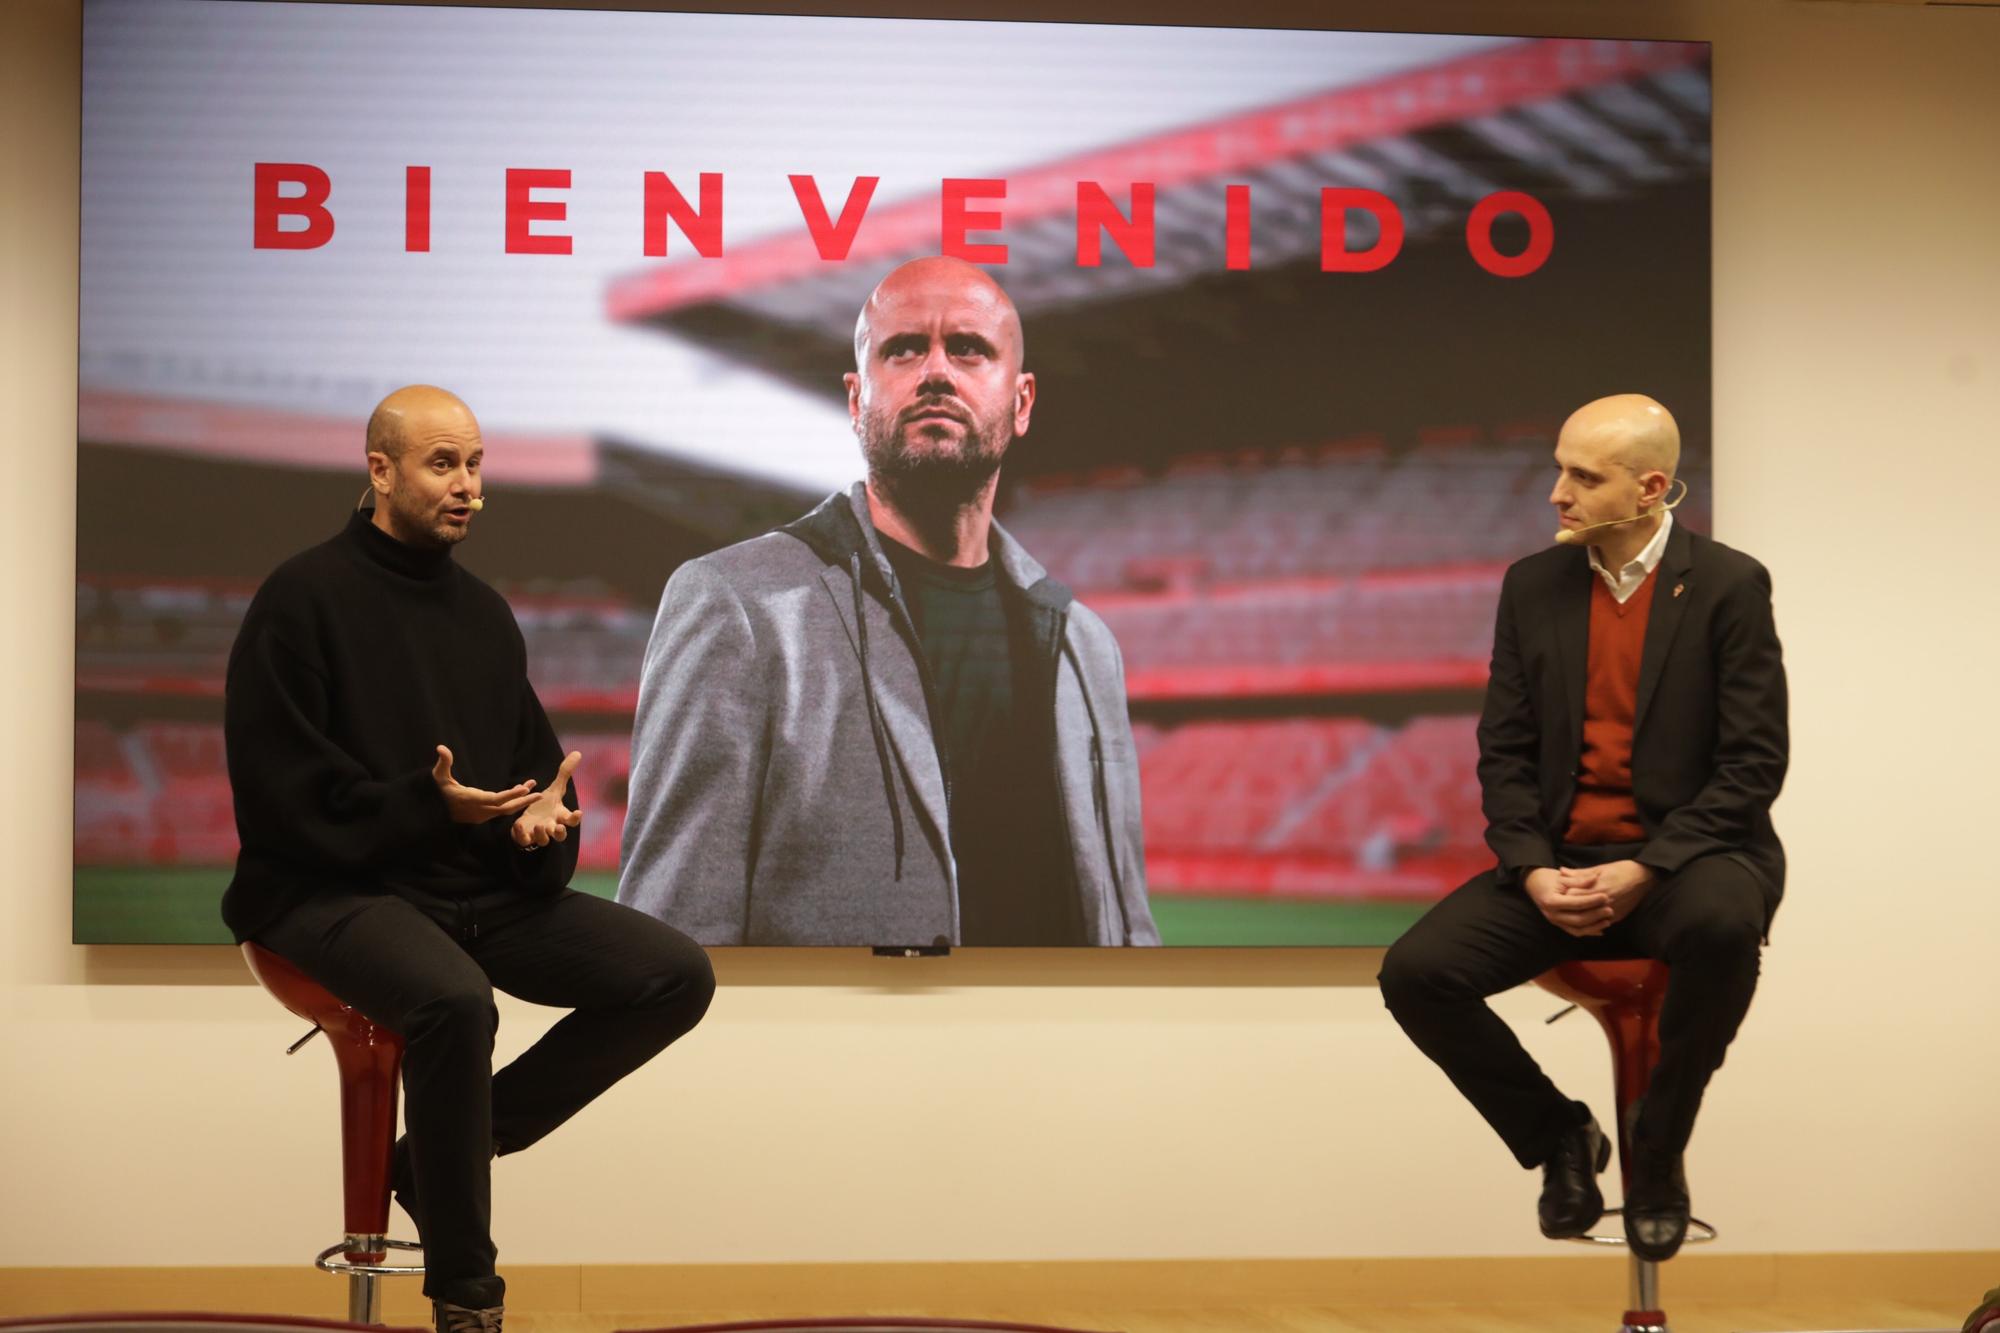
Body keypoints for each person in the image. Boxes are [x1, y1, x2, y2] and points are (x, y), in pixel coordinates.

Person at [221, 385, 715, 1333]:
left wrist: (534, 825)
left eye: (476, 465)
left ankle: (432, 1165)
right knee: (454, 1000)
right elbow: (281, 800)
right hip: (327, 888)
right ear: (380, 471)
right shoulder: (302, 597)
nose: (469, 487)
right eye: (443, 464)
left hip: (470, 888)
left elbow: (527, 776)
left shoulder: (484, 614)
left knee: (673, 975)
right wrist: (425, 804)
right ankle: (467, 1294)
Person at [618, 257, 1155, 947]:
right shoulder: (737, 605)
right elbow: (668, 943)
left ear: (1021, 402)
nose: (936, 370)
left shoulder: (1085, 643)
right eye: (903, 349)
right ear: (855, 399)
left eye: (969, 348)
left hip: (1054, 1053)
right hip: (851, 1057)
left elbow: (1125, 919)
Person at [1378, 394, 1786, 1261]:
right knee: (1416, 973)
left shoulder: (1729, 584)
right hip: (1560, 863)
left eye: (1582, 475)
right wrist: (1530, 870)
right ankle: (1561, 1135)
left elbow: (1754, 765)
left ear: (1650, 488)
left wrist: (1648, 868)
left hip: (1691, 860)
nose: (1556, 492)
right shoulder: (1532, 585)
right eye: (1559, 467)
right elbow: (1505, 751)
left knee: (1723, 925)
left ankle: (1661, 1144)